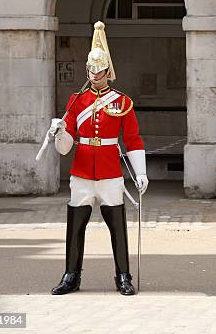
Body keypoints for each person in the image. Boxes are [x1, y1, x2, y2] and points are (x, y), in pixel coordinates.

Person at [48, 21, 148, 295]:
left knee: (116, 226)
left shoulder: (121, 102)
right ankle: (71, 275)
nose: (95, 75)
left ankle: (123, 275)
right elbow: (66, 147)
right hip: (81, 171)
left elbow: (133, 139)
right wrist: (59, 132)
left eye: (99, 70)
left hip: (109, 171)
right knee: (75, 226)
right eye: (91, 70)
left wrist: (140, 172)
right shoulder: (75, 100)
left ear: (108, 71)